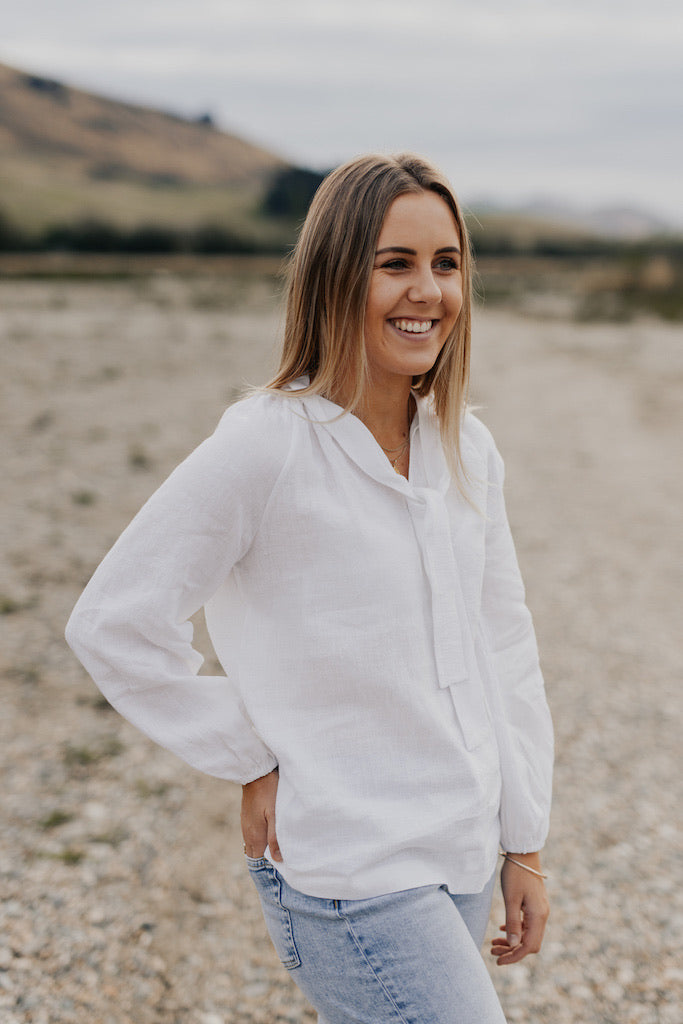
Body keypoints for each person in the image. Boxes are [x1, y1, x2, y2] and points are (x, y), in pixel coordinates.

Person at [66, 153, 553, 1024]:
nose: (427, 292)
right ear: (334, 274)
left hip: (461, 847)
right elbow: (113, 621)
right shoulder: (268, 445)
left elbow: (502, 648)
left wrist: (525, 843)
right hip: (347, 865)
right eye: (393, 263)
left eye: (445, 264)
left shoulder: (465, 449)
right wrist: (246, 751)